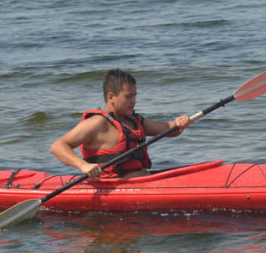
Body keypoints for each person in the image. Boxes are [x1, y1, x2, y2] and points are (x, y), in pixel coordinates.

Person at [50, 69, 193, 179]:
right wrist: (83, 166)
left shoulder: (134, 122)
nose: (134, 101)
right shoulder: (97, 124)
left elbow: (170, 129)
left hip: (144, 181)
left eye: (135, 96)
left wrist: (180, 122)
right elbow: (58, 146)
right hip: (113, 189)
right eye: (128, 96)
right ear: (111, 97)